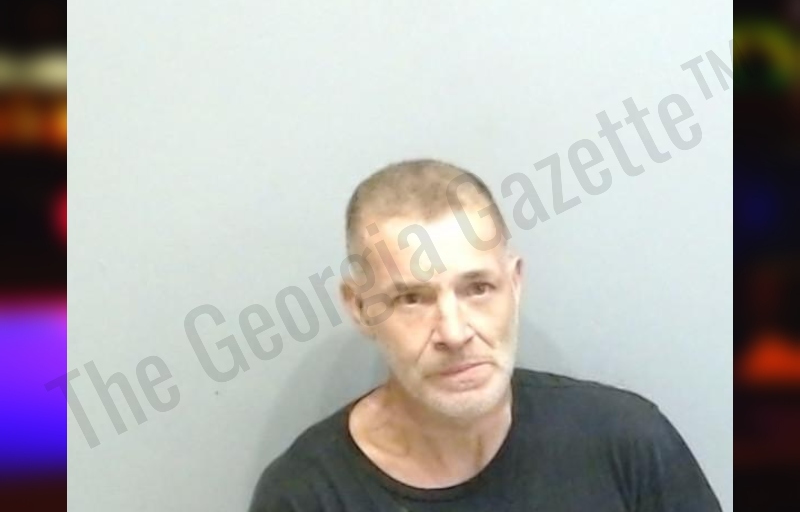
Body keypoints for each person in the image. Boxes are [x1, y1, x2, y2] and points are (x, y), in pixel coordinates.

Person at [248, 159, 722, 511]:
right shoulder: (306, 495)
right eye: (412, 298)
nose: (454, 333)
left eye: (477, 288)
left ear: (514, 284)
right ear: (360, 308)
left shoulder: (626, 443)